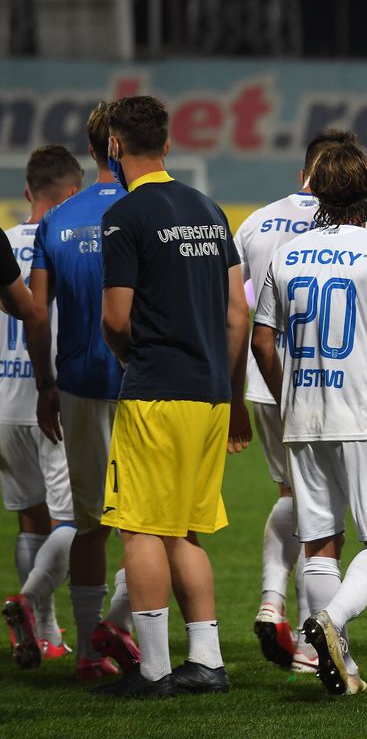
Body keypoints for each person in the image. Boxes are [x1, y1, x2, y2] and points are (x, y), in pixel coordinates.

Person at [95, 95, 252, 697]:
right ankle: (207, 662)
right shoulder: (209, 210)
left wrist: (131, 356)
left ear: (115, 145)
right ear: (167, 143)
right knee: (184, 530)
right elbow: (237, 311)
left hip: (156, 390)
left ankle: (155, 669)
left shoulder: (125, 216)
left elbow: (116, 317)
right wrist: (228, 385)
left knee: (138, 530)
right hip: (211, 392)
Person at [251, 141, 367, 696]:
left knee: (320, 541)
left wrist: (287, 396)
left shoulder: (286, 255)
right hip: (364, 414)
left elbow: (261, 340)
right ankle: (331, 624)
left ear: (317, 192)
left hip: (303, 415)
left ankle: (334, 663)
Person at [233, 128, 367, 674]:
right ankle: (313, 636)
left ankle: (274, 599)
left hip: (265, 379)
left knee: (293, 496)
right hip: (332, 385)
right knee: (328, 521)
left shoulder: (256, 221)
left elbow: (236, 309)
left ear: (304, 171)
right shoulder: (361, 223)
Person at [25, 103, 138, 682]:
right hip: (144, 386)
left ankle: (92, 655)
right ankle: (119, 627)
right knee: (157, 520)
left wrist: (45, 383)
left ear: (92, 150)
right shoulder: (148, 210)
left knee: (89, 520)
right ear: (120, 146)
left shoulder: (57, 220)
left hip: (76, 384)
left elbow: (38, 313)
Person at [1, 146, 81, 668]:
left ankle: (45, 632)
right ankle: (31, 604)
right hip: (52, 397)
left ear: (28, 192)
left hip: (3, 401)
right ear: (71, 194)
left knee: (32, 519)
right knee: (74, 519)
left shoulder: (4, 241)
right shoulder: (70, 242)